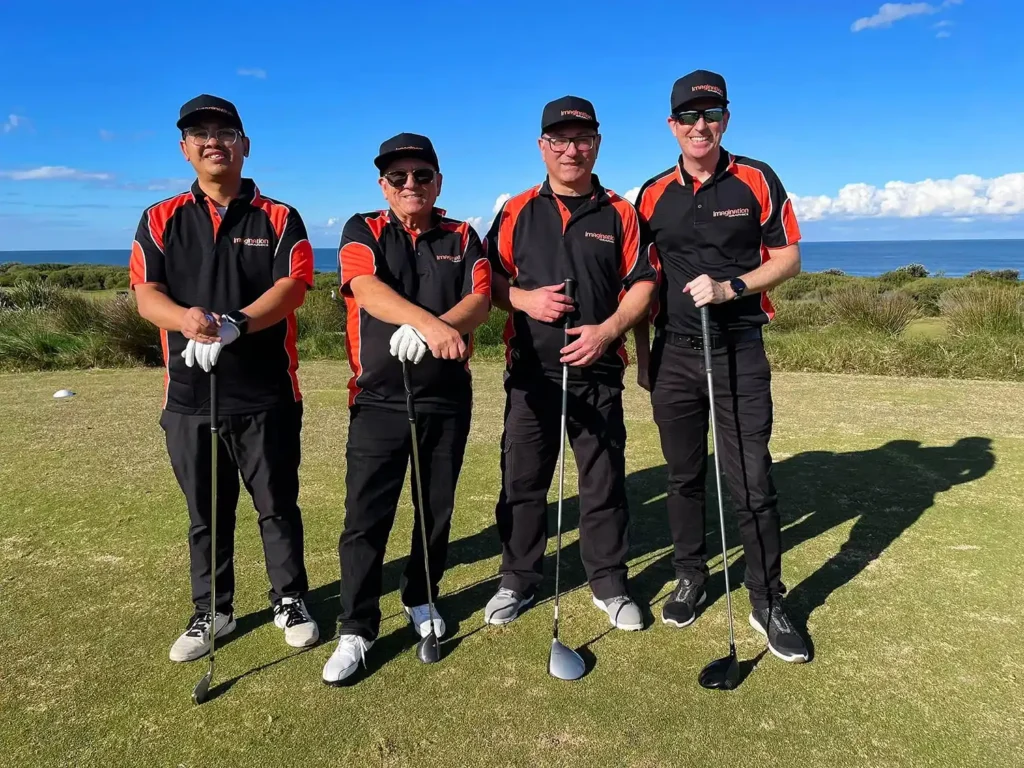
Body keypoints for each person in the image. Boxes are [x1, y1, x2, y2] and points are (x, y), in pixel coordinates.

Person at [130, 94, 319, 663]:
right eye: (200, 133)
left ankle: (290, 598)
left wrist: (237, 324)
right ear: (185, 149)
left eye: (225, 131)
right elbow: (146, 295)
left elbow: (293, 286)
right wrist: (186, 321)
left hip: (266, 392)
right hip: (190, 397)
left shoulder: (280, 216)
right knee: (207, 513)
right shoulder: (160, 217)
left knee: (277, 504)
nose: (214, 140)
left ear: (245, 144)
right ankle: (213, 610)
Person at [633, 70, 810, 662]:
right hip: (674, 353)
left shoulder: (757, 179)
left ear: (726, 120)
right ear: (672, 125)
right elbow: (643, 279)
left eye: (710, 114)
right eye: (688, 116)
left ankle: (767, 600)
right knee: (683, 476)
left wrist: (733, 286)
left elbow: (788, 259)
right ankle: (692, 575)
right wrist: (641, 356)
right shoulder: (652, 194)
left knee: (751, 480)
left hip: (738, 350)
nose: (699, 125)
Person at [483, 97, 659, 631]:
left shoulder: (621, 212)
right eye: (559, 140)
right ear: (543, 147)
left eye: (582, 140)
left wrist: (609, 330)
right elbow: (485, 281)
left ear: (597, 145)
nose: (571, 150)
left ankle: (609, 582)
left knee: (602, 482)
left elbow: (645, 282)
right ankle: (517, 578)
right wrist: (525, 300)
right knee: (523, 480)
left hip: (599, 371)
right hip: (531, 373)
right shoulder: (516, 210)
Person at [322, 133, 491, 684]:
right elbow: (365, 288)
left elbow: (480, 300)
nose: (410, 185)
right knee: (365, 517)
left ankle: (421, 596)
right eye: (399, 178)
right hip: (378, 398)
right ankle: (357, 625)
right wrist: (426, 323)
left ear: (438, 182)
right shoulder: (361, 228)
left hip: (445, 397)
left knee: (434, 509)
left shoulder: (463, 235)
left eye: (422, 176)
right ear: (383, 186)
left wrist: (442, 327)